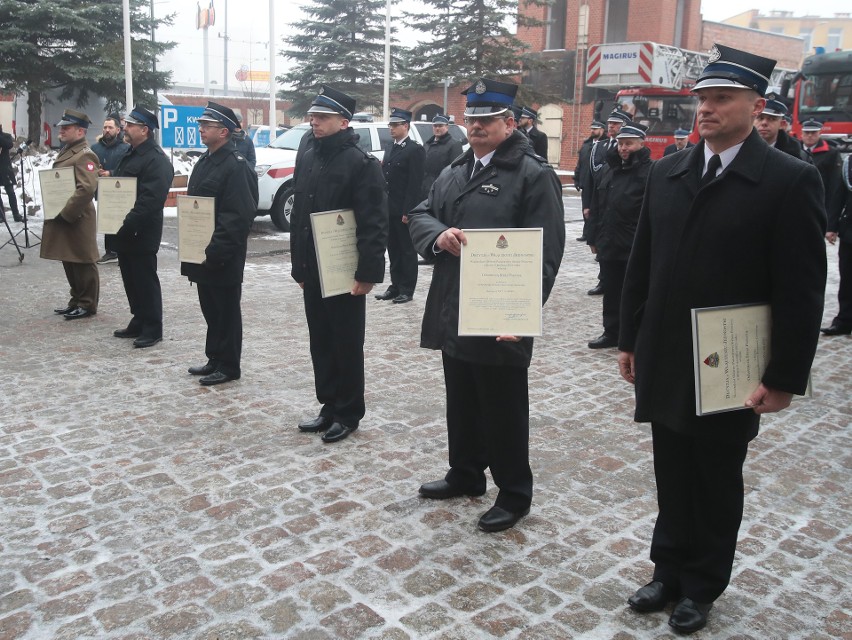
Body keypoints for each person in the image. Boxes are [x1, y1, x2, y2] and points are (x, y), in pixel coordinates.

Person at [618, 44, 826, 634]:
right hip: (666, 349)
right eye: (701, 99)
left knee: (715, 474)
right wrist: (630, 338)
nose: (705, 109)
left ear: (756, 104)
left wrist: (785, 376)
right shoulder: (669, 171)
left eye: (721, 99)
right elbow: (643, 264)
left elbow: (801, 289)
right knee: (670, 468)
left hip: (731, 361)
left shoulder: (788, 180)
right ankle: (667, 569)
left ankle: (703, 584)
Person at [408, 78, 565, 533]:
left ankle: (514, 493)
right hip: (454, 306)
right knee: (461, 399)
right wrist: (438, 235)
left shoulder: (532, 175)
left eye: (487, 120)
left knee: (503, 407)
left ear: (510, 123)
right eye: (471, 119)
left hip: (501, 311)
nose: (476, 127)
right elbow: (420, 212)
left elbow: (546, 253)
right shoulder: (456, 170)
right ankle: (466, 473)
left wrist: (523, 314)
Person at [291, 85, 388, 443]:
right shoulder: (309, 155)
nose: (314, 121)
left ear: (343, 122)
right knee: (321, 339)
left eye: (322, 117)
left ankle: (348, 412)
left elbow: (374, 223)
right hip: (313, 267)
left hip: (344, 271)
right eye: (313, 116)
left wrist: (367, 274)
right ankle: (328, 404)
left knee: (346, 341)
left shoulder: (361, 164)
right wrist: (298, 266)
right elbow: (301, 215)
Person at [181, 102, 258, 385]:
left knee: (226, 311)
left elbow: (238, 216)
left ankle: (229, 365)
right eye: (201, 125)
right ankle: (214, 357)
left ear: (224, 131)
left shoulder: (236, 167)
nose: (201, 129)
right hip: (201, 251)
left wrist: (216, 252)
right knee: (210, 309)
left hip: (221, 254)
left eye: (207, 126)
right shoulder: (205, 161)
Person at [111, 106, 174, 348]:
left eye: (130, 125)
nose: (125, 128)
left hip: (141, 230)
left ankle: (153, 326)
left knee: (145, 278)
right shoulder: (131, 153)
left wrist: (128, 223)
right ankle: (138, 318)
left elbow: (150, 200)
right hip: (125, 227)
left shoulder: (156, 160)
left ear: (144, 130)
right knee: (130, 276)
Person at [586, 122, 651, 349]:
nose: (624, 148)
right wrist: (592, 236)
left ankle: (634, 335)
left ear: (641, 144)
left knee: (634, 292)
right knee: (611, 292)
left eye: (629, 144)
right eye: (622, 144)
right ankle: (611, 332)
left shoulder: (649, 172)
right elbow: (598, 204)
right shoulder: (609, 169)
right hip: (610, 242)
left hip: (634, 244)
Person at [40, 109, 101, 320]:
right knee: (70, 258)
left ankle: (87, 303)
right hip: (67, 215)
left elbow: (87, 188)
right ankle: (76, 299)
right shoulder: (69, 150)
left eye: (67, 127)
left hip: (77, 217)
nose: (62, 130)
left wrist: (66, 213)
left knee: (83, 261)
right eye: (62, 127)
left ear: (80, 131)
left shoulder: (85, 154)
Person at [375, 107, 424, 304]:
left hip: (403, 209)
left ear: (406, 126)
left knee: (406, 250)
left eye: (396, 125)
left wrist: (408, 211)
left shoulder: (415, 150)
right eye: (391, 125)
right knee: (393, 249)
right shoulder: (391, 147)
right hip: (389, 208)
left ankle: (407, 289)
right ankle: (395, 286)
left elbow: (415, 184)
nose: (392, 128)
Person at [584, 108, 631, 295]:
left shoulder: (628, 148)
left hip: (619, 202)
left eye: (616, 124)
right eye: (610, 123)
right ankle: (603, 280)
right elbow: (591, 178)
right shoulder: (599, 146)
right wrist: (587, 204)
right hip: (600, 198)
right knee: (602, 245)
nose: (611, 126)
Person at [92, 113, 131, 264]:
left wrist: (111, 173)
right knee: (106, 219)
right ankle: (110, 251)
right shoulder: (95, 148)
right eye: (105, 127)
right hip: (102, 189)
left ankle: (121, 250)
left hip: (120, 190)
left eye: (110, 127)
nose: (107, 130)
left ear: (118, 130)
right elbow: (89, 166)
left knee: (121, 220)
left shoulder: (126, 148)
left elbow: (128, 168)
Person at [822, 155, 852, 336]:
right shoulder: (849, 163)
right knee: (847, 279)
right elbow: (839, 194)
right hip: (850, 232)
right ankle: (844, 320)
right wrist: (831, 226)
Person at [801, 120, 843, 232]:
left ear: (819, 133)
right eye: (806, 133)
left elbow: (835, 182)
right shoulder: (794, 149)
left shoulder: (831, 153)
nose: (810, 136)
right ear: (801, 133)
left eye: (813, 133)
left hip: (820, 201)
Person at [573, 120, 605, 242]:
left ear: (602, 130)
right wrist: (576, 178)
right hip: (586, 182)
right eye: (591, 129)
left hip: (598, 183)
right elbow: (580, 164)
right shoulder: (586, 145)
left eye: (595, 129)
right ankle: (586, 233)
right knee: (585, 208)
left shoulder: (604, 144)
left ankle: (595, 233)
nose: (592, 131)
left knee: (596, 209)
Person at [755, 95, 809, 161]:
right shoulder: (740, 148)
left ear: (782, 124)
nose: (764, 123)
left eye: (772, 119)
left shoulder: (799, 156)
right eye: (760, 118)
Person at [421, 113, 463, 198]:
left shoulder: (454, 144)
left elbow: (455, 170)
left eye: (440, 126)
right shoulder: (427, 144)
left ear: (447, 127)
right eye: (435, 126)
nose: (437, 128)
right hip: (425, 188)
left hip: (442, 189)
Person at [0, 123, 22, 223]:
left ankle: (16, 214)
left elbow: (8, 144)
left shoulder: (6, 136)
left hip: (5, 168)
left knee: (10, 192)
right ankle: (1, 216)